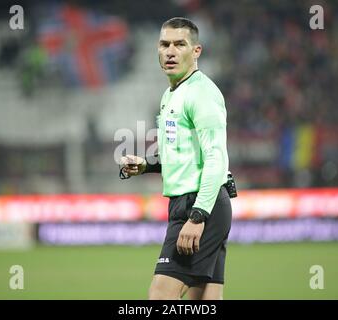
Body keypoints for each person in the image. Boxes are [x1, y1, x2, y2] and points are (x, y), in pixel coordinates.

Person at [120, 17, 232, 300]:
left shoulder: (202, 94)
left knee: (160, 296)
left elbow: (215, 159)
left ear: (196, 51)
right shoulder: (171, 94)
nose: (170, 51)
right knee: (206, 300)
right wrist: (146, 165)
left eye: (179, 44)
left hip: (199, 206)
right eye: (164, 44)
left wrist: (197, 217)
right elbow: (183, 154)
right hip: (194, 204)